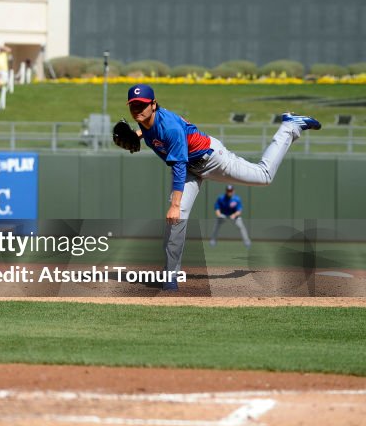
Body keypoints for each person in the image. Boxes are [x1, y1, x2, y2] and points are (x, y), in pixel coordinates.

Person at [121, 83, 321, 290]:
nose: (137, 109)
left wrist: (174, 204)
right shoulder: (147, 122)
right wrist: (137, 135)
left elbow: (179, 167)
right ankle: (170, 276)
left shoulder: (169, 127)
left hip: (212, 159)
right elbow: (152, 130)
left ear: (153, 104)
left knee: (264, 176)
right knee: (177, 218)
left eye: (142, 105)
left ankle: (290, 127)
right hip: (191, 168)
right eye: (133, 105)